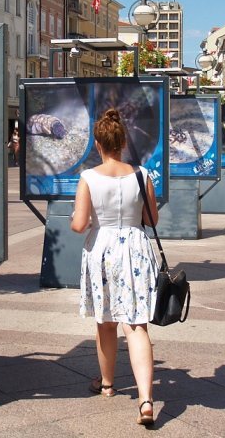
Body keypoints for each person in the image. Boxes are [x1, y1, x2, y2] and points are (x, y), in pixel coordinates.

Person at [71, 108, 159, 426]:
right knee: (136, 325)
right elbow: (151, 220)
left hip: (102, 250)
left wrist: (79, 217)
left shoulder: (88, 178)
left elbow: (80, 224)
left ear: (98, 144)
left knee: (106, 321)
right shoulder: (142, 175)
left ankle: (107, 384)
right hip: (135, 249)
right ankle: (146, 399)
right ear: (123, 142)